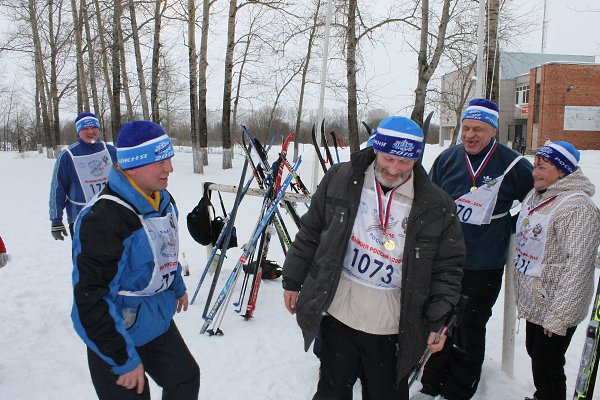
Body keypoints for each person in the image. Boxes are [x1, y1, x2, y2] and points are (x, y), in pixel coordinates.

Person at [282, 116, 465, 400]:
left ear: (416, 159)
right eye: (388, 158)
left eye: (404, 162)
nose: (393, 169)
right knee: (332, 391)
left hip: (392, 321)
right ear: (377, 149)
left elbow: (448, 268)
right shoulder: (341, 179)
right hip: (341, 310)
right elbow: (312, 231)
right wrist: (293, 279)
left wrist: (438, 319)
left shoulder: (436, 205)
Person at [71, 121, 200, 400]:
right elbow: (90, 298)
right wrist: (122, 358)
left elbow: (165, 250)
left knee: (185, 378)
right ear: (132, 165)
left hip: (153, 319)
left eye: (169, 159)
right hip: (114, 332)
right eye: (160, 161)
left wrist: (176, 284)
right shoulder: (104, 219)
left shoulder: (162, 199)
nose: (170, 168)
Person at [416, 98, 534, 400]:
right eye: (466, 128)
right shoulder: (447, 158)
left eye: (478, 129)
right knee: (439, 320)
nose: (470, 135)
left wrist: (509, 225)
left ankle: (458, 390)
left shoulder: (513, 164)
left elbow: (536, 202)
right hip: (444, 260)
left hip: (484, 262)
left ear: (493, 130)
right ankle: (431, 384)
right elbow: (428, 198)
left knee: (470, 325)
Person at [514, 141, 600, 400]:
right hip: (537, 297)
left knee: (548, 364)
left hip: (558, 302)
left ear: (562, 170)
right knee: (536, 354)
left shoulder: (578, 208)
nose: (535, 173)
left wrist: (559, 315)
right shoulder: (538, 194)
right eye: (535, 166)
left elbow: (579, 265)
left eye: (543, 167)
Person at [49, 112, 117, 240]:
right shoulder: (68, 155)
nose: (90, 131)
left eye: (94, 127)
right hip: (81, 217)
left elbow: (126, 180)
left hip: (113, 214)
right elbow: (58, 189)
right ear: (78, 131)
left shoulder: (111, 151)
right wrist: (56, 220)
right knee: (87, 253)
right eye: (85, 128)